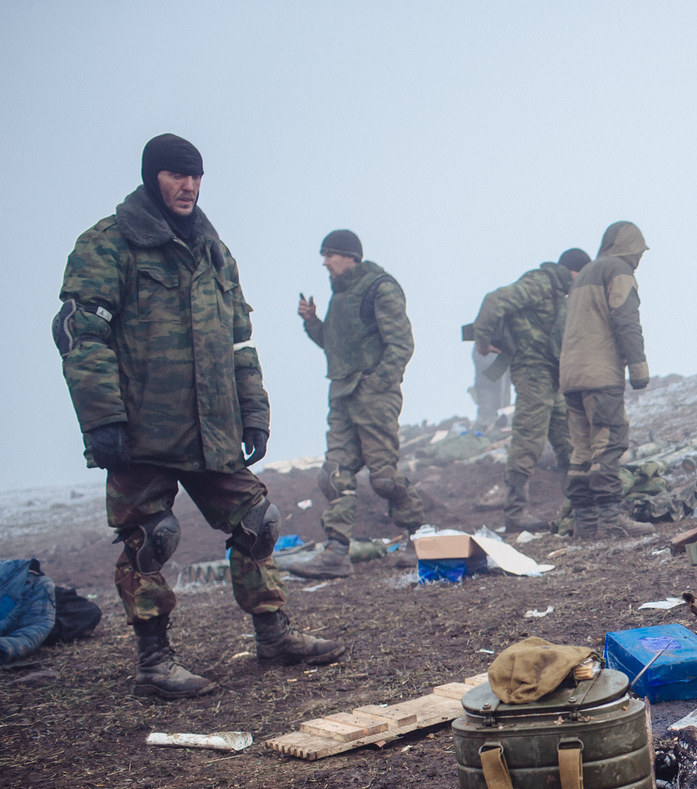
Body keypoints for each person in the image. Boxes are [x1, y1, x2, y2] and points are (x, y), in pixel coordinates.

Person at [54, 134, 342, 698]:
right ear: (151, 177)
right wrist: (102, 418)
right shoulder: (108, 244)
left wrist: (252, 412)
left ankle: (273, 636)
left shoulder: (213, 249)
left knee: (259, 520)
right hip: (142, 431)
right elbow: (79, 334)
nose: (188, 186)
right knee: (150, 538)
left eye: (196, 176)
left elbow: (239, 342)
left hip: (213, 428)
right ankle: (154, 663)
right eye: (175, 175)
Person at [288, 230, 426, 578]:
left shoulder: (380, 287)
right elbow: (335, 344)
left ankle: (419, 539)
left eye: (330, 254)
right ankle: (336, 553)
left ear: (350, 256)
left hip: (373, 396)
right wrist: (312, 323)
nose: (324, 262)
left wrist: (378, 383)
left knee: (383, 479)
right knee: (334, 475)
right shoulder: (339, 296)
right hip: (342, 396)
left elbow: (401, 343)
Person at [473, 247, 591, 532]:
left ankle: (579, 509)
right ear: (575, 271)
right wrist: (482, 342)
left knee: (569, 443)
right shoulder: (541, 282)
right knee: (528, 440)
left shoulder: (561, 293)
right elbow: (494, 301)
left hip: (555, 374)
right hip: (532, 371)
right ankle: (515, 513)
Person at [559, 222, 653, 540]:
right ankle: (612, 521)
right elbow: (626, 319)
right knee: (608, 442)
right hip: (600, 374)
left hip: (571, 376)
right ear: (631, 248)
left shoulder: (584, 274)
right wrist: (638, 367)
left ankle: (585, 525)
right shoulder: (618, 270)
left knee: (581, 450)